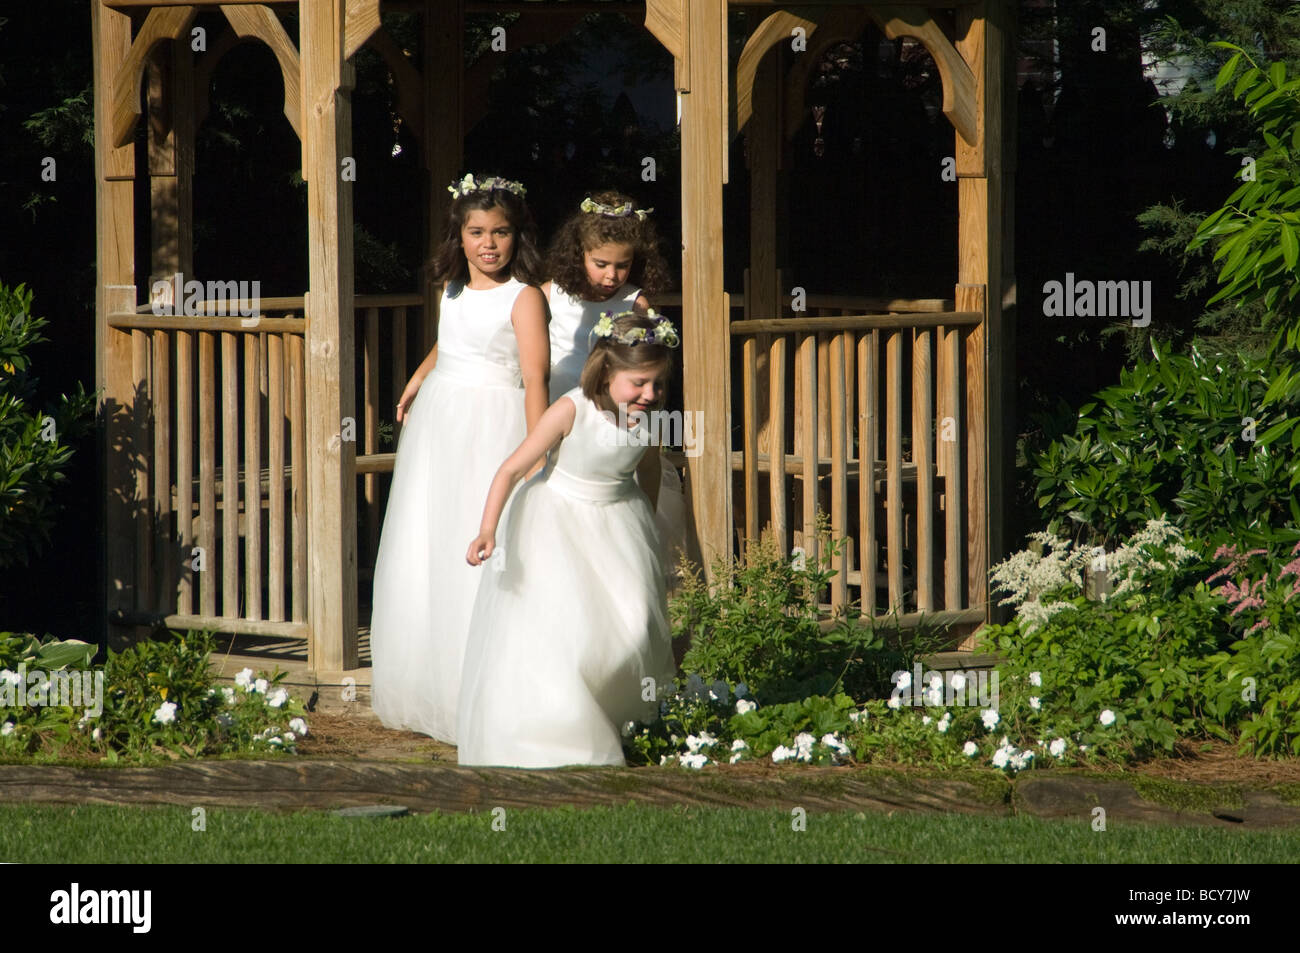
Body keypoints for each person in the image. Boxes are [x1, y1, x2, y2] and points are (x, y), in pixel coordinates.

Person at [369, 174, 549, 744]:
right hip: (440, 424)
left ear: (518, 237)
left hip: (492, 424)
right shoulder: (451, 290)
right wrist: (419, 379)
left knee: (482, 540)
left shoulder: (525, 297)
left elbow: (536, 377)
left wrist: (535, 451)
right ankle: (435, 682)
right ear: (460, 235)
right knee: (432, 541)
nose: (488, 244)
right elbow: (451, 343)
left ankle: (486, 687)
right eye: (476, 232)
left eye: (500, 232)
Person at [457, 310, 679, 768]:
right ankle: (563, 731)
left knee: (633, 621)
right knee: (570, 628)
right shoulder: (571, 409)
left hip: (619, 522)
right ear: (607, 370)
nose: (649, 394)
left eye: (657, 384)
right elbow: (512, 468)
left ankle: (619, 715)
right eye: (639, 383)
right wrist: (487, 528)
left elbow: (649, 466)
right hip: (557, 521)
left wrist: (649, 520)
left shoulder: (650, 417)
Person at [543, 191, 687, 587]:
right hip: (561, 416)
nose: (612, 275)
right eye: (601, 263)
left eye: (623, 266)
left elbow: (649, 360)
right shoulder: (550, 293)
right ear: (579, 255)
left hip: (616, 420)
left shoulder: (634, 301)